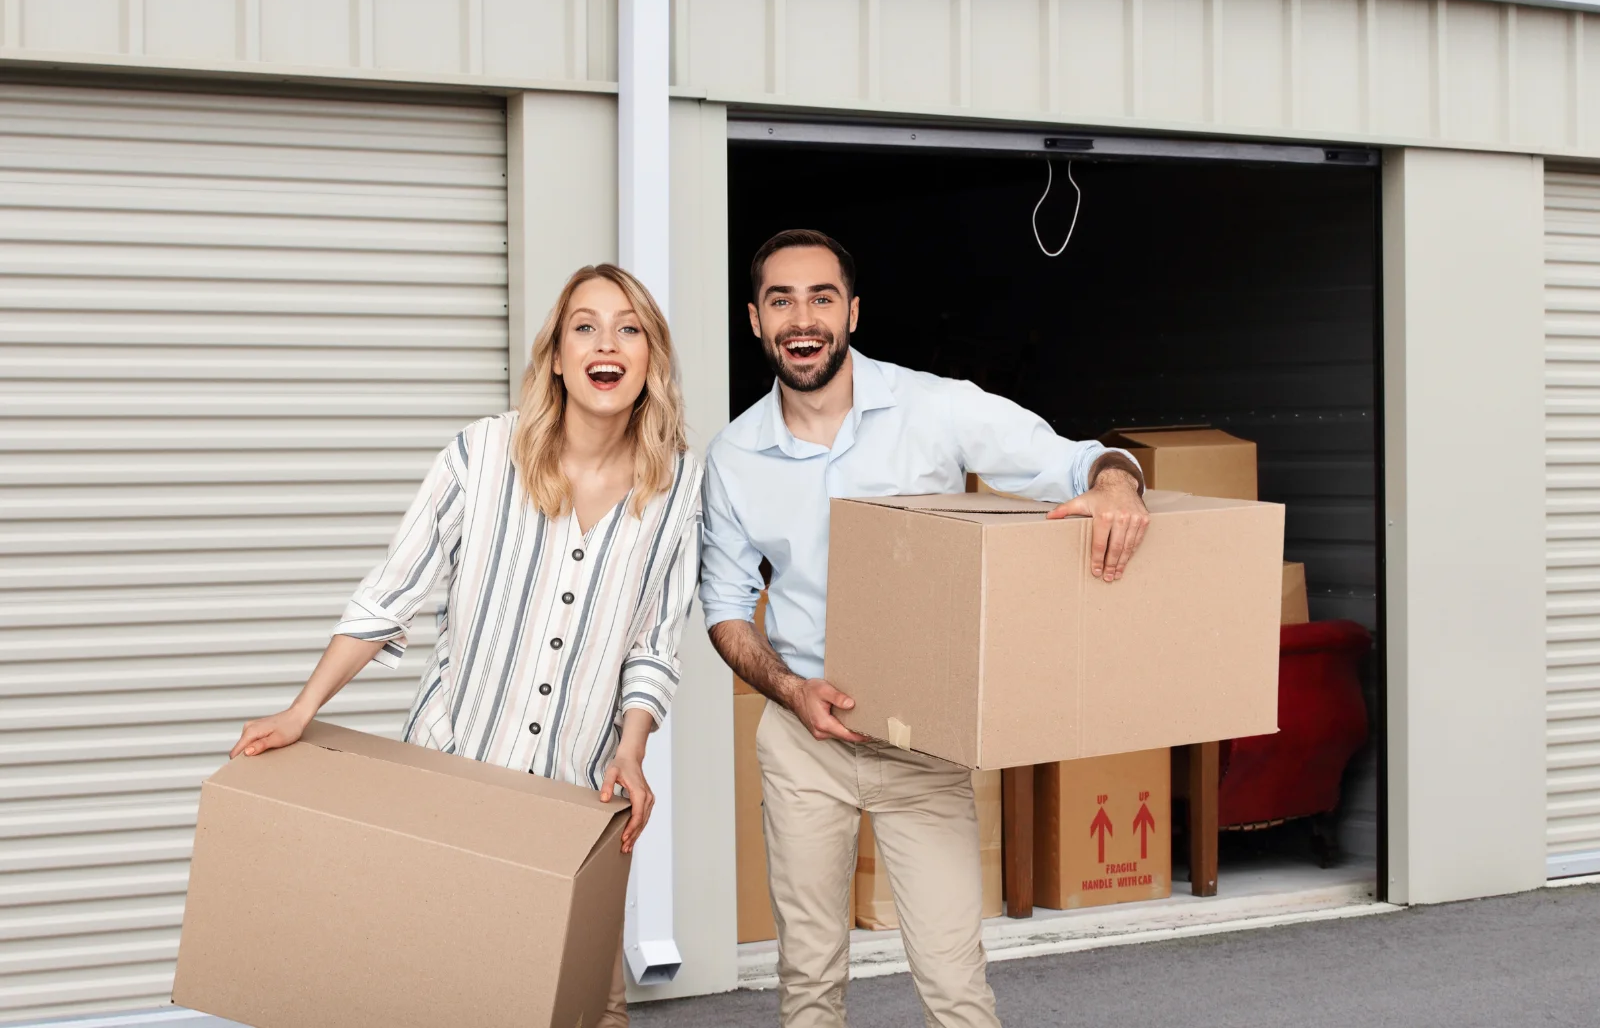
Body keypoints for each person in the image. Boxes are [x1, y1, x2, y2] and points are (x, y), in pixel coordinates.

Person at [229, 263, 701, 1028]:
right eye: (585, 326)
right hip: (450, 784)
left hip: (575, 801)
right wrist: (300, 710)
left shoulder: (679, 487)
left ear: (651, 358)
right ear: (555, 355)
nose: (605, 343)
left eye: (629, 328)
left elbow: (655, 644)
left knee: (587, 1009)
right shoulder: (481, 457)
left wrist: (633, 747)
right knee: (437, 994)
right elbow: (390, 594)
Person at [700, 229, 1150, 1028]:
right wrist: (791, 690)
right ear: (755, 320)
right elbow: (728, 609)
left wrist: (1117, 481)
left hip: (920, 742)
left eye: (821, 297)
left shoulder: (935, 408)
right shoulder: (734, 456)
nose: (802, 318)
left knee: (955, 986)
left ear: (853, 311)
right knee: (807, 982)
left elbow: (1074, 459)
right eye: (781, 300)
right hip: (805, 742)